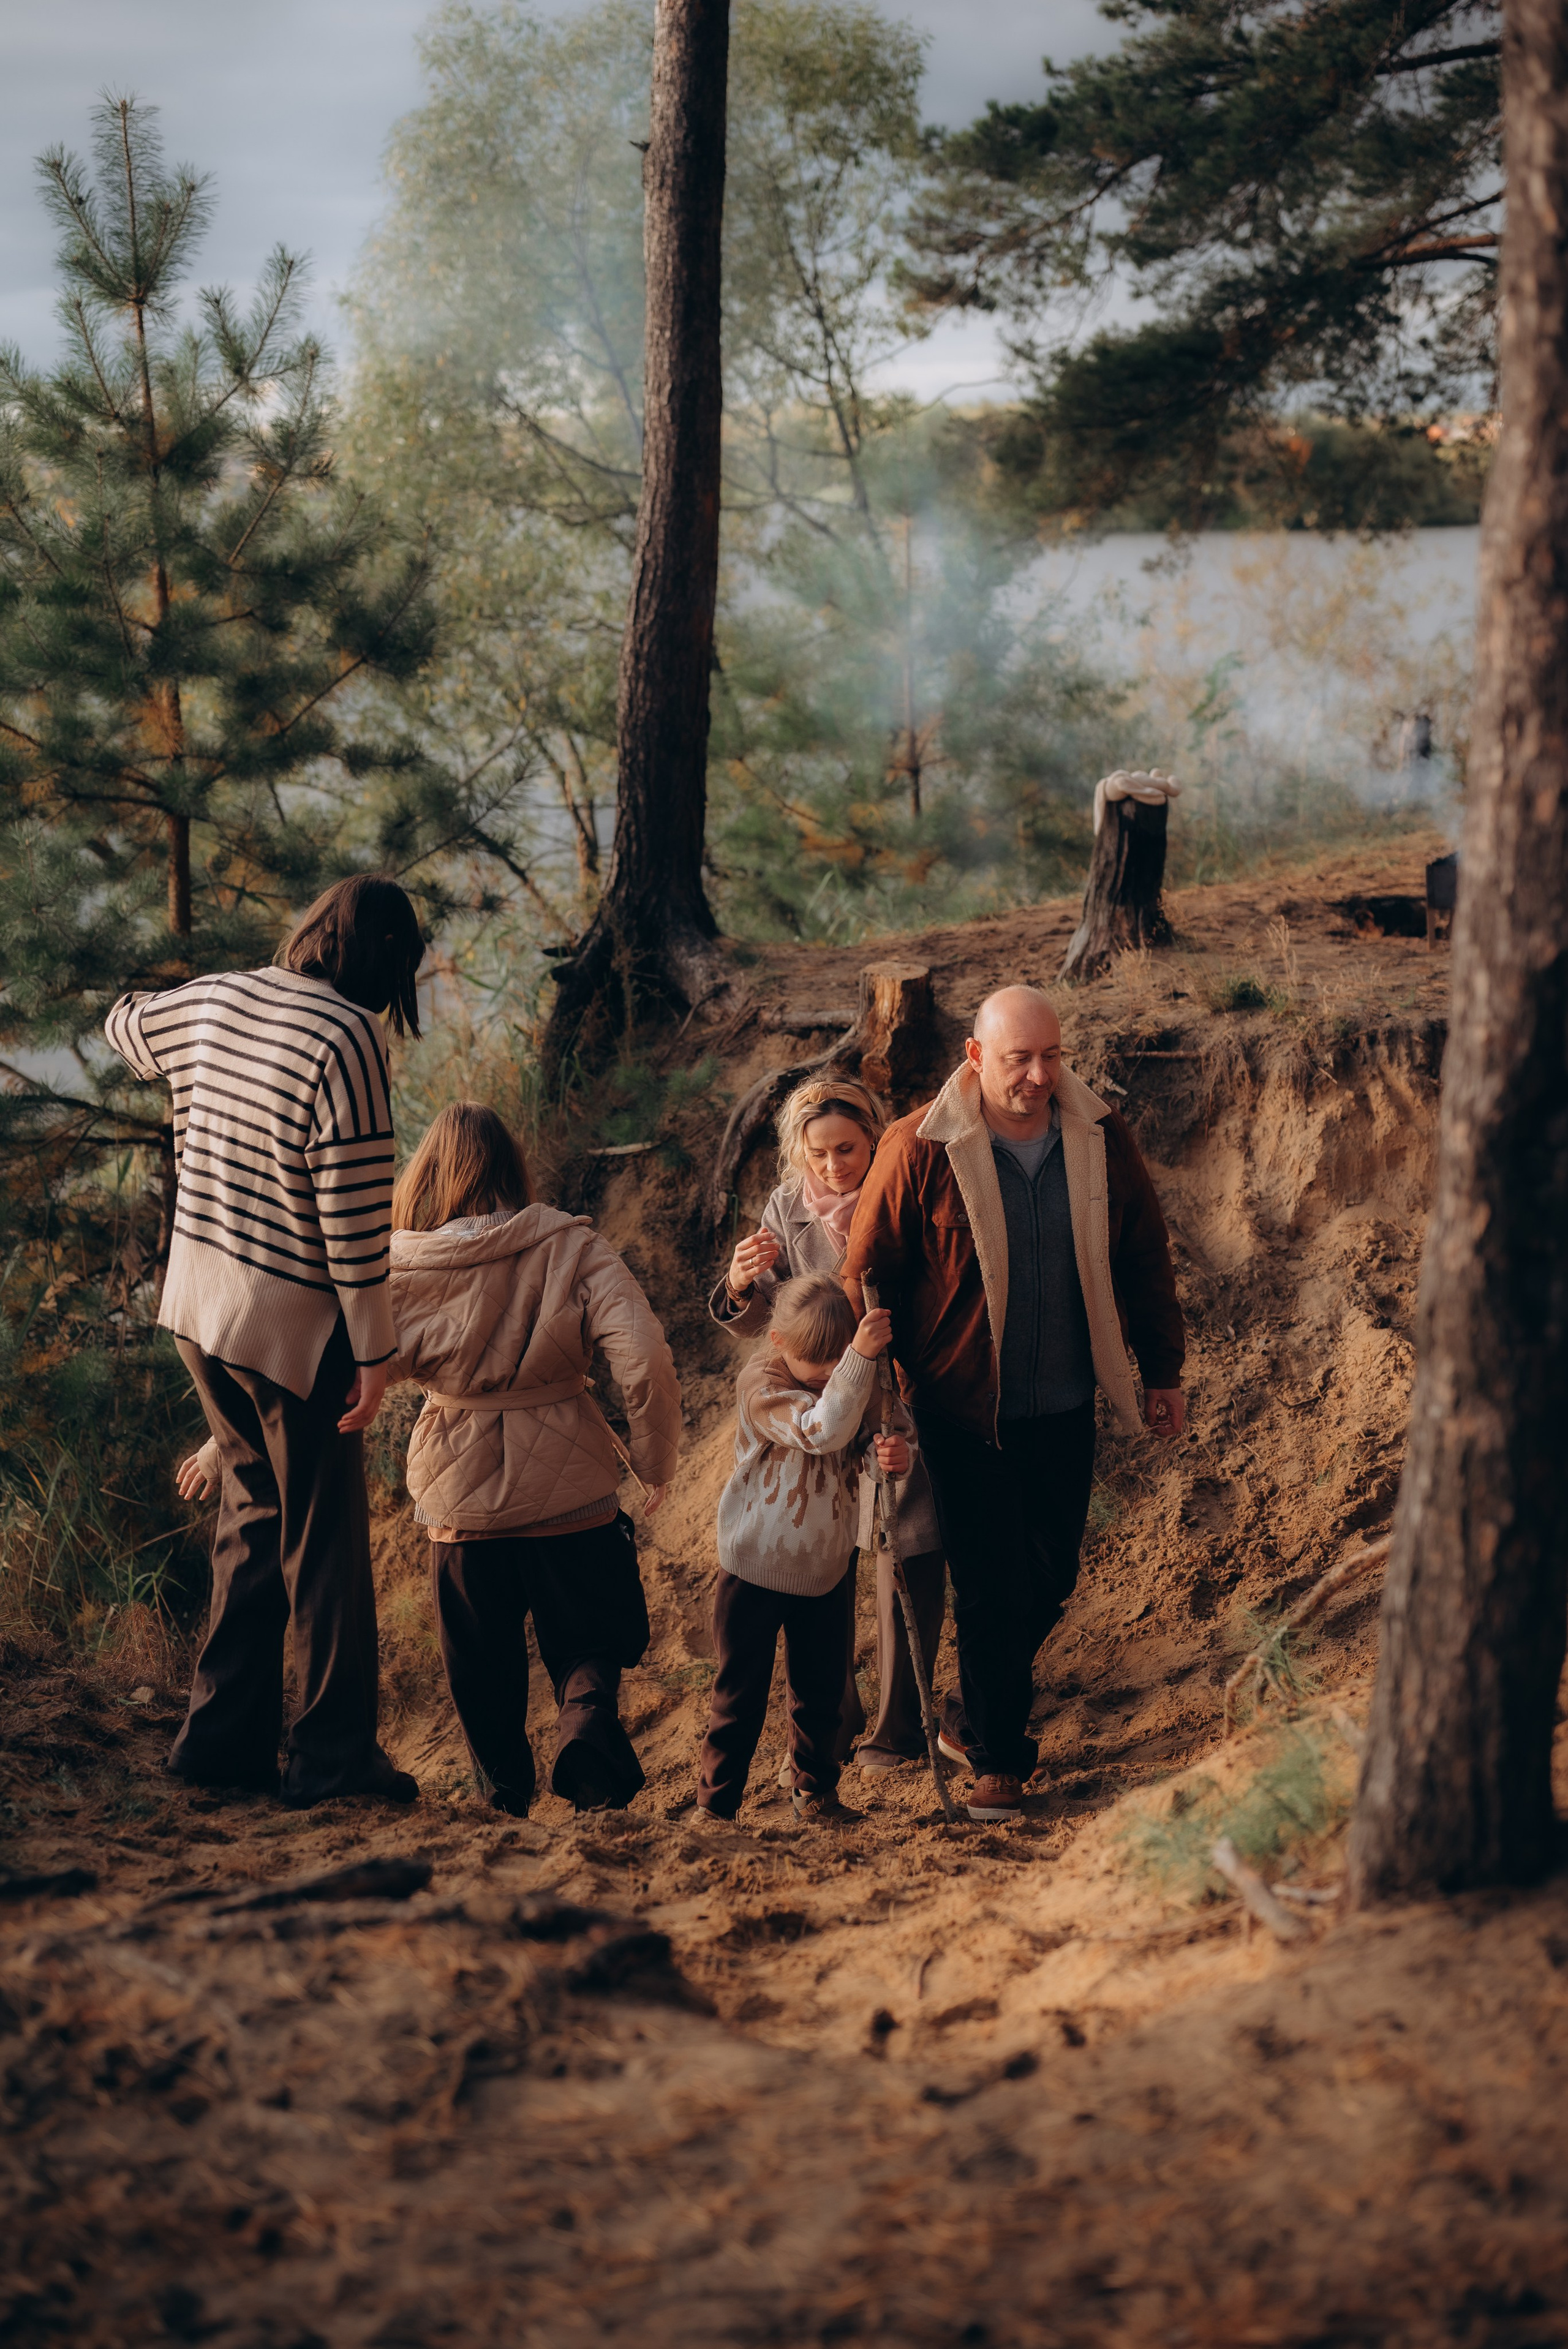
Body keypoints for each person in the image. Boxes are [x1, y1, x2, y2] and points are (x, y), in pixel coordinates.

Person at [186, 1101, 682, 1816]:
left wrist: (223, 1441)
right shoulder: (573, 1246)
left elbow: (304, 1366)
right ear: (514, 1168)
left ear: (427, 1176)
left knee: (480, 1666)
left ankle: (504, 1793)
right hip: (573, 1490)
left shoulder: (396, 1267)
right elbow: (645, 1356)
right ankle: (587, 1731)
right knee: (589, 1636)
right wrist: (653, 1459)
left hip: (461, 1504)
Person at [112, 873, 424, 1808]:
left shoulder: (216, 994)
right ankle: (331, 1759)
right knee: (325, 1540)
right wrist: (374, 1355)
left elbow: (126, 1024)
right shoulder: (346, 1040)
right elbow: (355, 1221)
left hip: (200, 1307)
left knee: (252, 1513)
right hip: (295, 1322)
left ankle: (221, 1739)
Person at [842, 985, 1185, 1824]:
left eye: (1050, 1056)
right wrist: (878, 1385)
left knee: (1052, 1574)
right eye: (1017, 1059)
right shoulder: (919, 1145)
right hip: (961, 1406)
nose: (1037, 1075)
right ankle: (999, 1759)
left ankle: (966, 1711)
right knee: (991, 1586)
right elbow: (866, 1267)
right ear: (974, 1057)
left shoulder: (1098, 1135)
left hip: (1066, 1398)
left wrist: (1162, 1367)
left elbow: (1144, 1250)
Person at [710, 1076, 946, 1776]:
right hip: (820, 1405)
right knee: (827, 1554)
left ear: (874, 1137)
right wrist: (738, 1284)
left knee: (909, 1547)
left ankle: (900, 1726)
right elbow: (779, 1327)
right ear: (798, 1152)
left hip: (905, 1393)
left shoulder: (911, 1187)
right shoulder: (787, 1206)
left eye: (846, 1149)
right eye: (817, 1154)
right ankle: (831, 1725)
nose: (833, 1167)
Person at [696, 1275, 912, 1827]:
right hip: (755, 1566)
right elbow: (821, 1430)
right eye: (812, 1361)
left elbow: (864, 1441)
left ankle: (816, 1794)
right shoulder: (761, 1384)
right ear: (777, 1343)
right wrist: (856, 1364)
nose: (823, 1374)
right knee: (737, 1697)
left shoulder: (854, 1380)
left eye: (833, 1360)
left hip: (825, 1568)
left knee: (820, 1698)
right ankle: (716, 1807)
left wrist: (888, 1452)